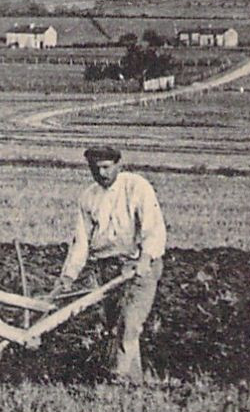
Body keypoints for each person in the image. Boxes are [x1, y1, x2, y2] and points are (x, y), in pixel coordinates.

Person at [50, 145, 166, 382]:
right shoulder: (88, 197)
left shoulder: (137, 187)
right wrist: (68, 277)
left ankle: (119, 377)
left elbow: (153, 228)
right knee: (115, 327)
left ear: (118, 165)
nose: (101, 173)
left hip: (139, 265)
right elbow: (81, 242)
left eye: (106, 167)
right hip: (109, 268)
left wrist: (144, 259)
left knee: (130, 323)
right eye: (96, 169)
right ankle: (134, 381)